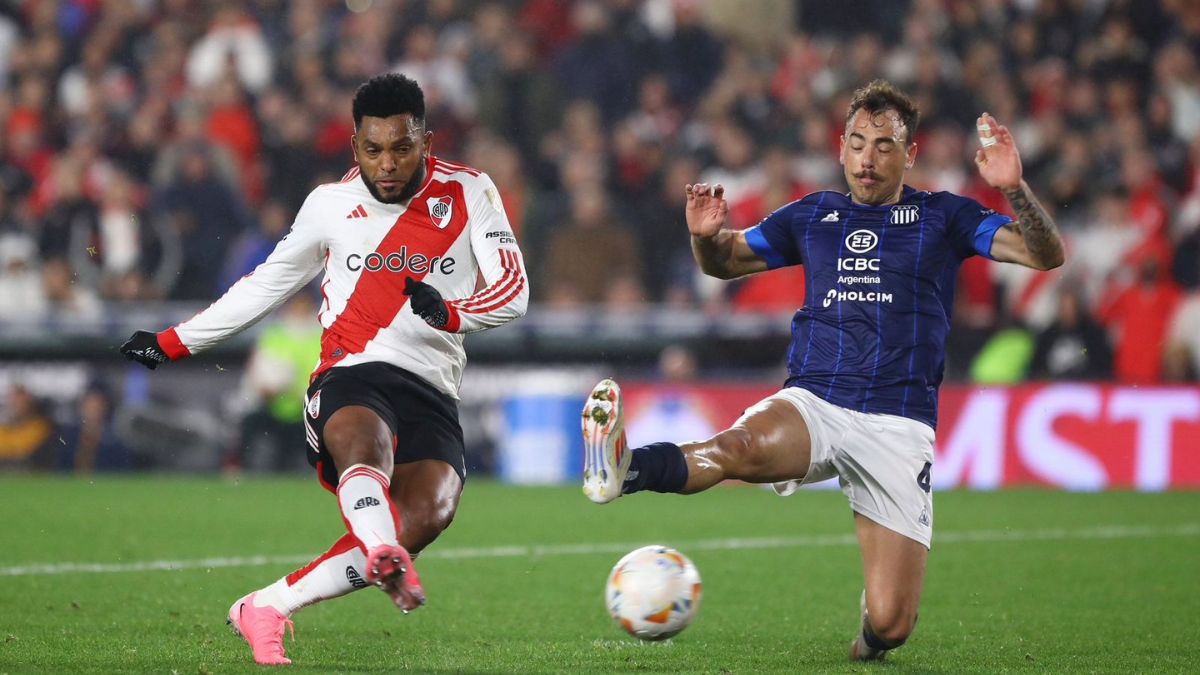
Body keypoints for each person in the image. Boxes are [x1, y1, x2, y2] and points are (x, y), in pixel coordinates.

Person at [581, 80, 1064, 662]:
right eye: (858, 142)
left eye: (885, 146)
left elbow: (1044, 254)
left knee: (892, 624)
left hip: (899, 423)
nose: (868, 158)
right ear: (841, 147)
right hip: (817, 401)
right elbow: (725, 261)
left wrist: (1014, 189)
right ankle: (622, 468)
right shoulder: (814, 215)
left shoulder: (944, 216)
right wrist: (703, 238)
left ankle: (870, 637)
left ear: (910, 155)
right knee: (736, 448)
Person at [120, 73, 529, 666]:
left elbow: (513, 292)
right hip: (350, 373)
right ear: (354, 146)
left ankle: (267, 605)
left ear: (426, 142)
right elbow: (266, 284)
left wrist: (453, 313)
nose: (386, 164)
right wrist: (173, 342)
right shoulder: (328, 206)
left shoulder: (470, 192)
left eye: (401, 147)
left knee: (433, 511)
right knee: (366, 447)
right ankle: (384, 547)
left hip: (434, 387)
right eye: (372, 149)